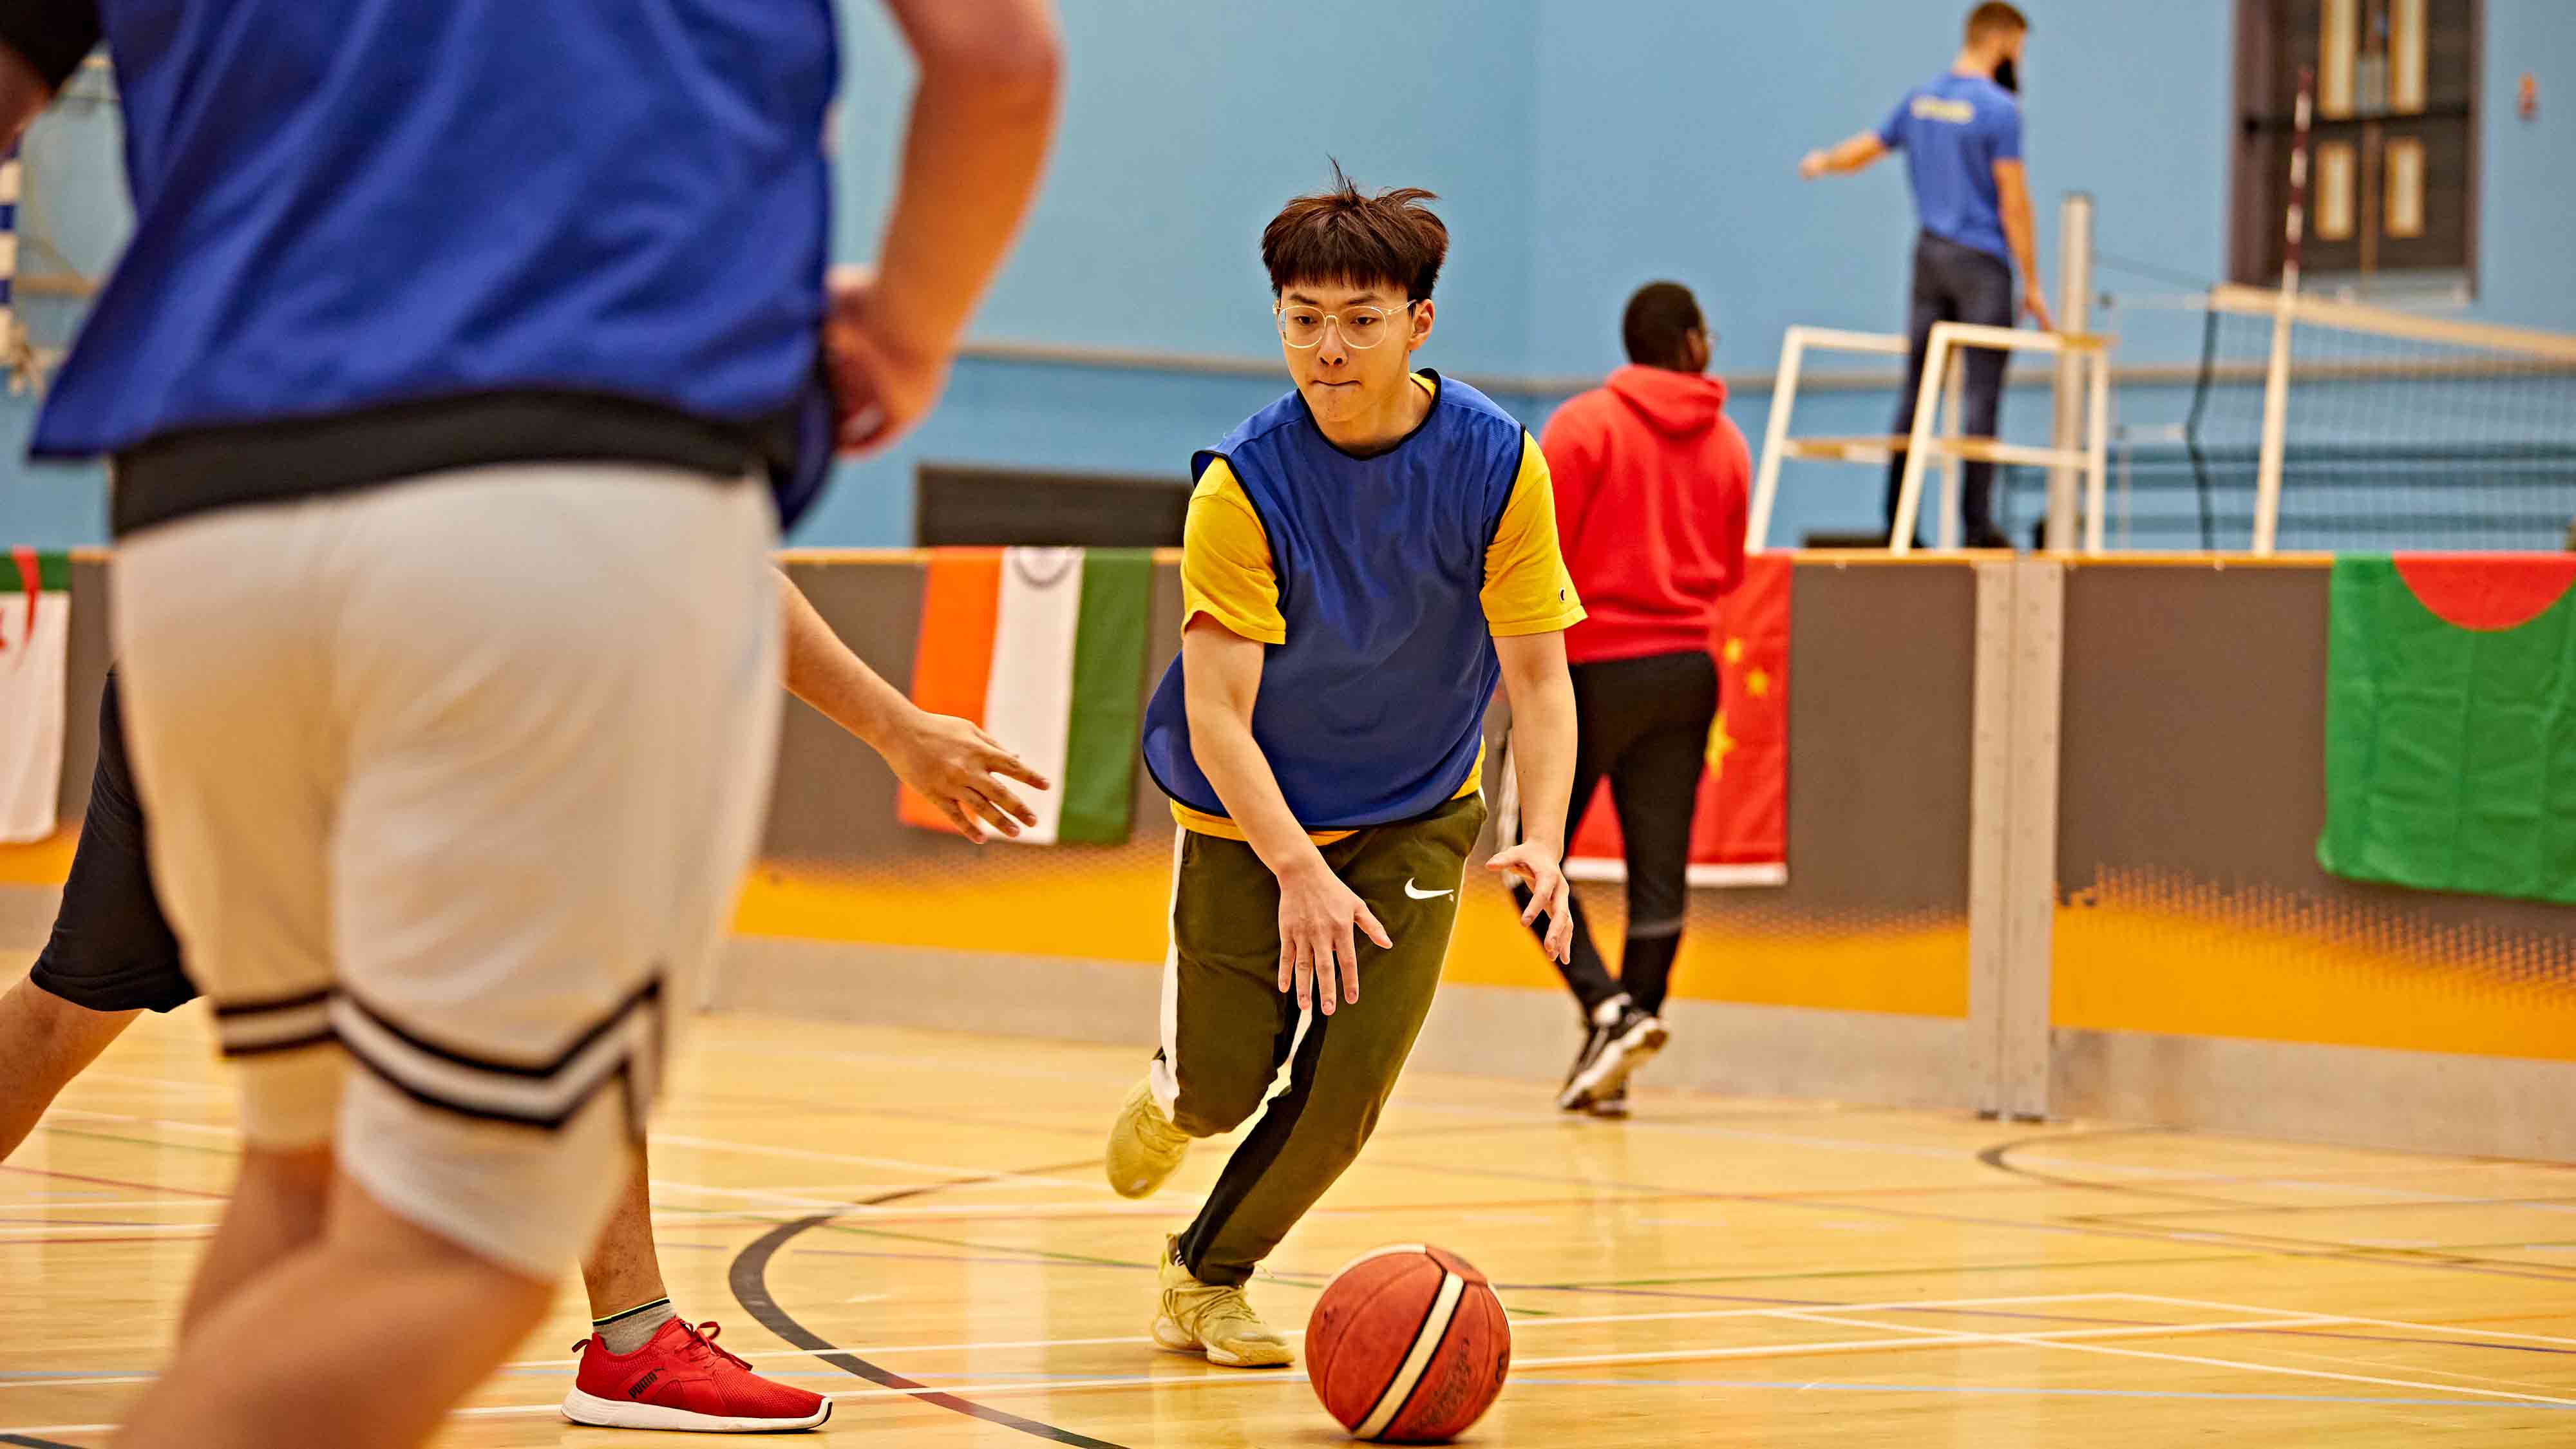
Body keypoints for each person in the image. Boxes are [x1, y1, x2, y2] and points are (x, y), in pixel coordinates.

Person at [0, 0, 1059, 1443]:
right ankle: (628, 1339)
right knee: (449, 1253)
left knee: (309, 1191)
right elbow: (998, 59)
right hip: (560, 500)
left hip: (198, 504)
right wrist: (915, 331)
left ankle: (628, 1333)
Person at [0, 573, 1047, 1431]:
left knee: (66, 1011)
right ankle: (629, 1348)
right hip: (332, 698)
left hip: (195, 661)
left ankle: (625, 1345)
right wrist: (897, 726)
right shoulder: (565, 376)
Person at [1101, 167, 1584, 1369]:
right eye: (1303, 317)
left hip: (1419, 807)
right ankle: (1175, 1098)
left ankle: (1204, 1278)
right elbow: (1217, 715)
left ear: (1419, 323)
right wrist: (1298, 868)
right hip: (1246, 815)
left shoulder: (1498, 464)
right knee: (1227, 1087)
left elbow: (1539, 678)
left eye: (1360, 320)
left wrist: (1547, 832)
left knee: (1345, 1091)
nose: (1328, 347)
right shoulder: (1243, 484)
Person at [1514, 281, 1747, 1117]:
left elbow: (1538, 557)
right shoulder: (1727, 441)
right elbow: (1727, 569)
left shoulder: (1582, 427)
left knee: (1527, 858)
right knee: (1660, 873)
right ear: (1691, 341)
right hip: (1687, 666)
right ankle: (1622, 1039)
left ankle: (1609, 1009)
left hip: (1589, 671)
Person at [1799, 1, 2053, 550]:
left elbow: (1865, 148)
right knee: (1981, 395)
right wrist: (2032, 281)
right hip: (1982, 264)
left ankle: (1897, 519)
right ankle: (1976, 524)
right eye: (2021, 47)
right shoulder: (1999, 110)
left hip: (1929, 258)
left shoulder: (1922, 101)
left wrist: (1822, 162)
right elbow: (2014, 201)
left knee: (1917, 389)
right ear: (2004, 40)